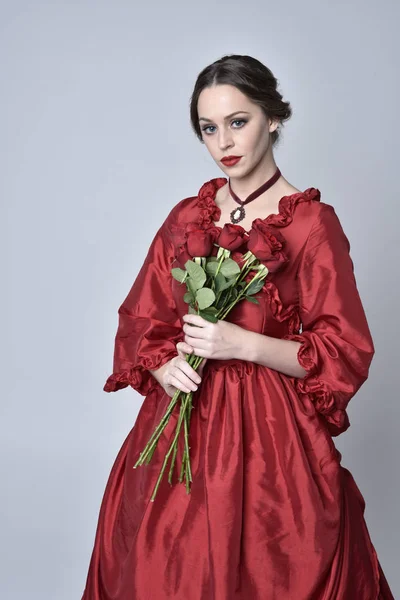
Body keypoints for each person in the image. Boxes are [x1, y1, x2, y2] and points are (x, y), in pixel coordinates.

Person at [81, 54, 394, 599]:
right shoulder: (186, 217)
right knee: (163, 569)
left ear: (272, 118)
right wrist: (161, 367)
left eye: (238, 121)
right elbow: (143, 319)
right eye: (208, 127)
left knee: (271, 571)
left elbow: (344, 351)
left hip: (274, 446)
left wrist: (243, 343)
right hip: (182, 430)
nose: (223, 140)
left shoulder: (312, 225)